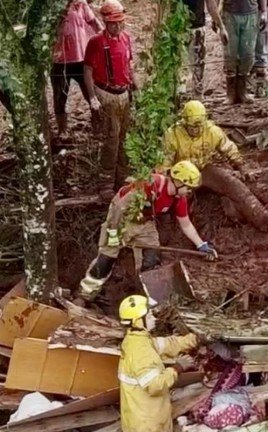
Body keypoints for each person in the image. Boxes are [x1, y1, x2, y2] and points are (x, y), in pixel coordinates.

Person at [78, 161, 216, 302]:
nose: (189, 192)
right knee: (106, 258)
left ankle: (144, 302)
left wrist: (201, 245)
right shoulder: (151, 184)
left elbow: (186, 224)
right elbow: (120, 208)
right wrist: (113, 234)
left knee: (151, 260)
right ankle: (85, 295)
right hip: (122, 217)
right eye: (189, 188)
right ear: (179, 182)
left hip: (145, 221)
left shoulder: (179, 199)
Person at [117, 294, 199, 432]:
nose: (154, 317)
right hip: (151, 430)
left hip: (132, 427)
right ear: (138, 320)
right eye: (149, 314)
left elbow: (166, 345)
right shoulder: (143, 351)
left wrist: (193, 340)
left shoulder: (135, 341)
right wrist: (178, 368)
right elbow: (155, 385)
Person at [161, 100, 268, 228]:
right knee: (175, 198)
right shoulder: (172, 134)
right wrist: (171, 181)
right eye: (192, 127)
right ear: (184, 122)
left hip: (204, 170)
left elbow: (228, 147)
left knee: (231, 182)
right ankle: (169, 223)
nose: (196, 130)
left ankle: (259, 214)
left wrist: (241, 166)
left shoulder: (212, 131)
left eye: (199, 126)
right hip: (181, 175)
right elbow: (165, 162)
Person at [84, 0, 134, 194]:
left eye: (120, 22)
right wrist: (92, 97)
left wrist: (134, 85)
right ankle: (106, 183)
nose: (118, 26)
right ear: (105, 22)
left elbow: (129, 64)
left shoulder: (126, 38)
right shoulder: (96, 42)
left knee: (125, 137)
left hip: (124, 93)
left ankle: (123, 179)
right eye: (114, 23)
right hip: (107, 93)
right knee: (111, 139)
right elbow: (87, 70)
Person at [51, 0, 103, 136]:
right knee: (59, 97)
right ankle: (62, 130)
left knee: (91, 93)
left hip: (81, 58)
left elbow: (93, 21)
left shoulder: (80, 4)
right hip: (59, 61)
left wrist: (104, 35)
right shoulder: (52, 8)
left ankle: (98, 123)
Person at [220, 0, 267, 103]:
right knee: (230, 53)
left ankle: (242, 91)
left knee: (248, 54)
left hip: (251, 13)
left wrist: (264, 12)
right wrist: (217, 19)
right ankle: (231, 93)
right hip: (229, 13)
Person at [184, 0, 227, 98]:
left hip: (196, 29)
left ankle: (197, 100)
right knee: (181, 69)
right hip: (177, 30)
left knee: (198, 69)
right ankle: (180, 100)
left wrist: (221, 26)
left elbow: (210, 4)